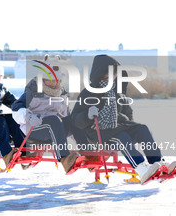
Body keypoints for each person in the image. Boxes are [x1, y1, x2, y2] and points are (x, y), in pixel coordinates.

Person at [70, 54, 176, 184]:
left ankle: (158, 164)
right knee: (122, 138)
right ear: (100, 73)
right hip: (98, 133)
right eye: (108, 73)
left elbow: (128, 114)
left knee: (142, 129)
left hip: (120, 127)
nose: (112, 76)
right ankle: (141, 169)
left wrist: (126, 122)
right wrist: (87, 115)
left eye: (114, 73)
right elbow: (75, 119)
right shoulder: (89, 93)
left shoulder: (118, 92)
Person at [12, 57, 89, 173]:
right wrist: (28, 116)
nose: (53, 83)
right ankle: (64, 158)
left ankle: (89, 154)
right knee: (53, 120)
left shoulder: (61, 94)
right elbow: (16, 108)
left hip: (55, 129)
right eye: (49, 80)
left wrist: (77, 135)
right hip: (34, 128)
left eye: (56, 80)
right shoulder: (32, 91)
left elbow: (66, 117)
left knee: (73, 119)